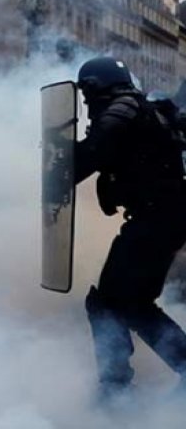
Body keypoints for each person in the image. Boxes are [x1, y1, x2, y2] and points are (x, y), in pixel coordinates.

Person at [75, 56, 186, 402]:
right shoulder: (144, 110)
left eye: (86, 94)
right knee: (129, 303)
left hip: (156, 220)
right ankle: (118, 386)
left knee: (112, 303)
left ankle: (116, 388)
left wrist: (58, 159)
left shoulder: (122, 110)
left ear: (95, 88)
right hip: (162, 219)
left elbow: (89, 155)